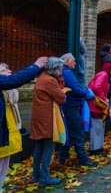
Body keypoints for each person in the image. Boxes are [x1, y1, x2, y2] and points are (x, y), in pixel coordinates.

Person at [0, 58, 46, 191]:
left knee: (4, 166)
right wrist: (36, 66)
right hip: (4, 135)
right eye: (4, 70)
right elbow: (14, 80)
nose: (9, 72)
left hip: (7, 137)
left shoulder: (10, 92)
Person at [30, 57, 66, 188]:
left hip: (39, 118)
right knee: (48, 148)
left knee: (39, 147)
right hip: (47, 119)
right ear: (55, 68)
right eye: (60, 68)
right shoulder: (50, 80)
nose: (62, 70)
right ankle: (45, 177)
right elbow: (61, 98)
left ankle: (36, 175)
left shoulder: (42, 77)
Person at [59, 53, 97, 167]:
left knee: (69, 133)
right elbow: (75, 89)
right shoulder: (68, 73)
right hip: (71, 106)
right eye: (73, 60)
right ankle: (82, 159)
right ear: (67, 61)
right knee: (77, 132)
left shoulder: (63, 72)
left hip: (67, 105)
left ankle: (63, 159)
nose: (75, 63)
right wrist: (85, 92)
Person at [87, 62, 111, 155]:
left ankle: (98, 147)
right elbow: (97, 87)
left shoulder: (104, 75)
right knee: (97, 126)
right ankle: (95, 148)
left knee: (99, 126)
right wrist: (104, 98)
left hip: (97, 105)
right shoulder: (104, 75)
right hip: (96, 105)